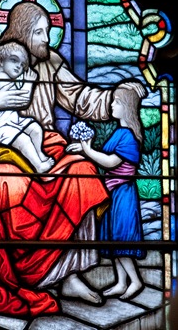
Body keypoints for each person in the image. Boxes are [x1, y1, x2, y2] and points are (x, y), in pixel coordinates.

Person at [0, 1, 146, 317]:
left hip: (44, 148)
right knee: (7, 182)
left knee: (83, 171)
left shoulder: (49, 63)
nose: (46, 40)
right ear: (22, 32)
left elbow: (80, 98)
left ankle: (69, 274)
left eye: (48, 32)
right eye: (40, 33)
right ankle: (16, 272)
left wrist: (118, 98)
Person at [66, 82, 147, 300]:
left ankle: (136, 281)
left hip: (123, 193)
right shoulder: (119, 132)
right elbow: (102, 156)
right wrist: (83, 151)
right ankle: (121, 282)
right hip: (112, 193)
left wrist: (87, 150)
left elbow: (110, 162)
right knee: (112, 239)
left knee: (121, 239)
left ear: (127, 107)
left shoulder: (128, 135)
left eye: (116, 102)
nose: (111, 106)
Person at [0, 41, 54, 173]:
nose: (18, 66)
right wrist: (28, 83)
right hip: (1, 128)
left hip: (14, 121)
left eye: (22, 65)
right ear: (1, 61)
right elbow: (21, 100)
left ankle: (39, 154)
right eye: (14, 60)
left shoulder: (9, 77)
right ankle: (38, 166)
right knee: (24, 139)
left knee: (36, 129)